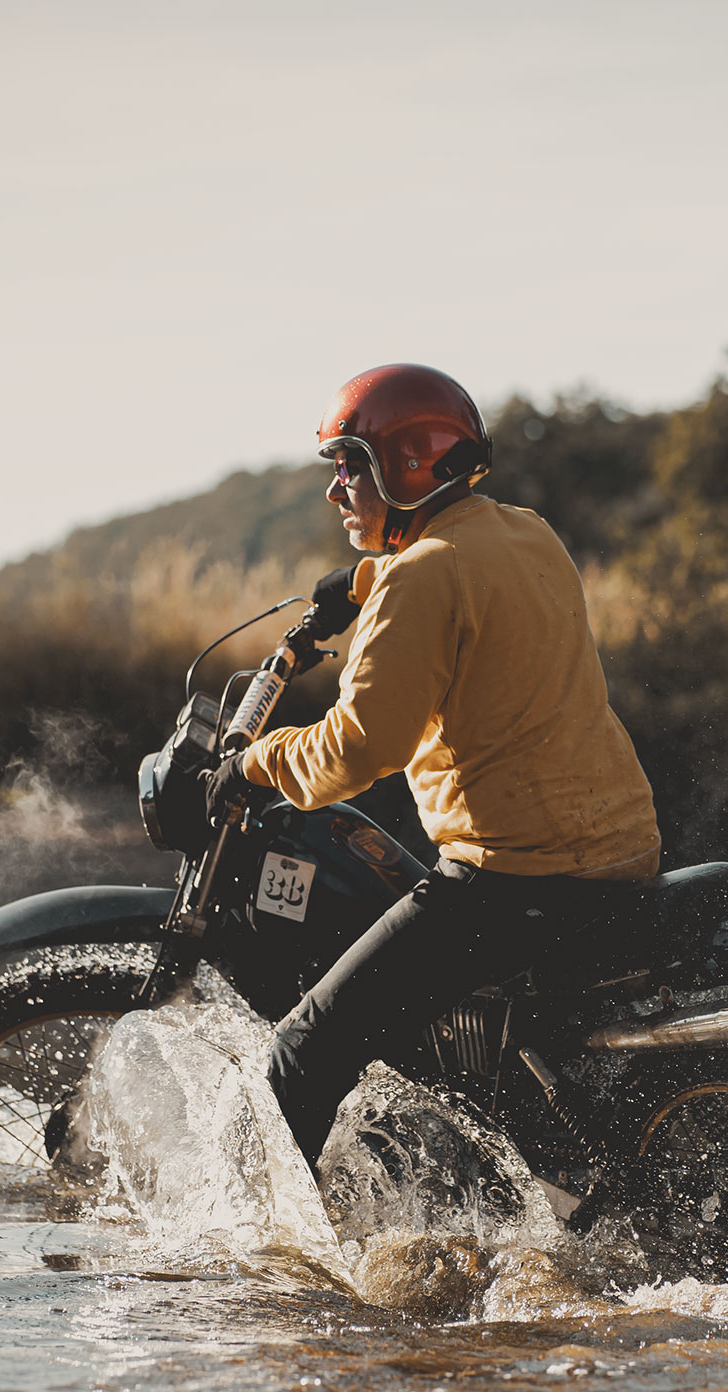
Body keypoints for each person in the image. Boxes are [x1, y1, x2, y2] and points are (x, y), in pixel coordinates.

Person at [204, 363, 662, 1169]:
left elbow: (357, 750)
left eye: (349, 465)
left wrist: (255, 763)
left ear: (403, 465)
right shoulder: (528, 533)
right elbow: (460, 568)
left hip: (516, 878)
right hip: (618, 853)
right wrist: (364, 579)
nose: (335, 490)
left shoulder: (421, 580)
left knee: (304, 1052)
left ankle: (272, 1280)